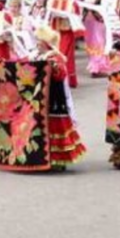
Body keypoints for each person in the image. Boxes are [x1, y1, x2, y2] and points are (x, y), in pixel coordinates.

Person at [33, 27, 85, 171]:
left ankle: (58, 159)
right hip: (41, 99)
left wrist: (53, 67)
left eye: (39, 40)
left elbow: (60, 75)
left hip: (54, 99)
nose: (36, 43)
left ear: (45, 43)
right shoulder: (36, 56)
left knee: (55, 126)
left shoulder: (55, 57)